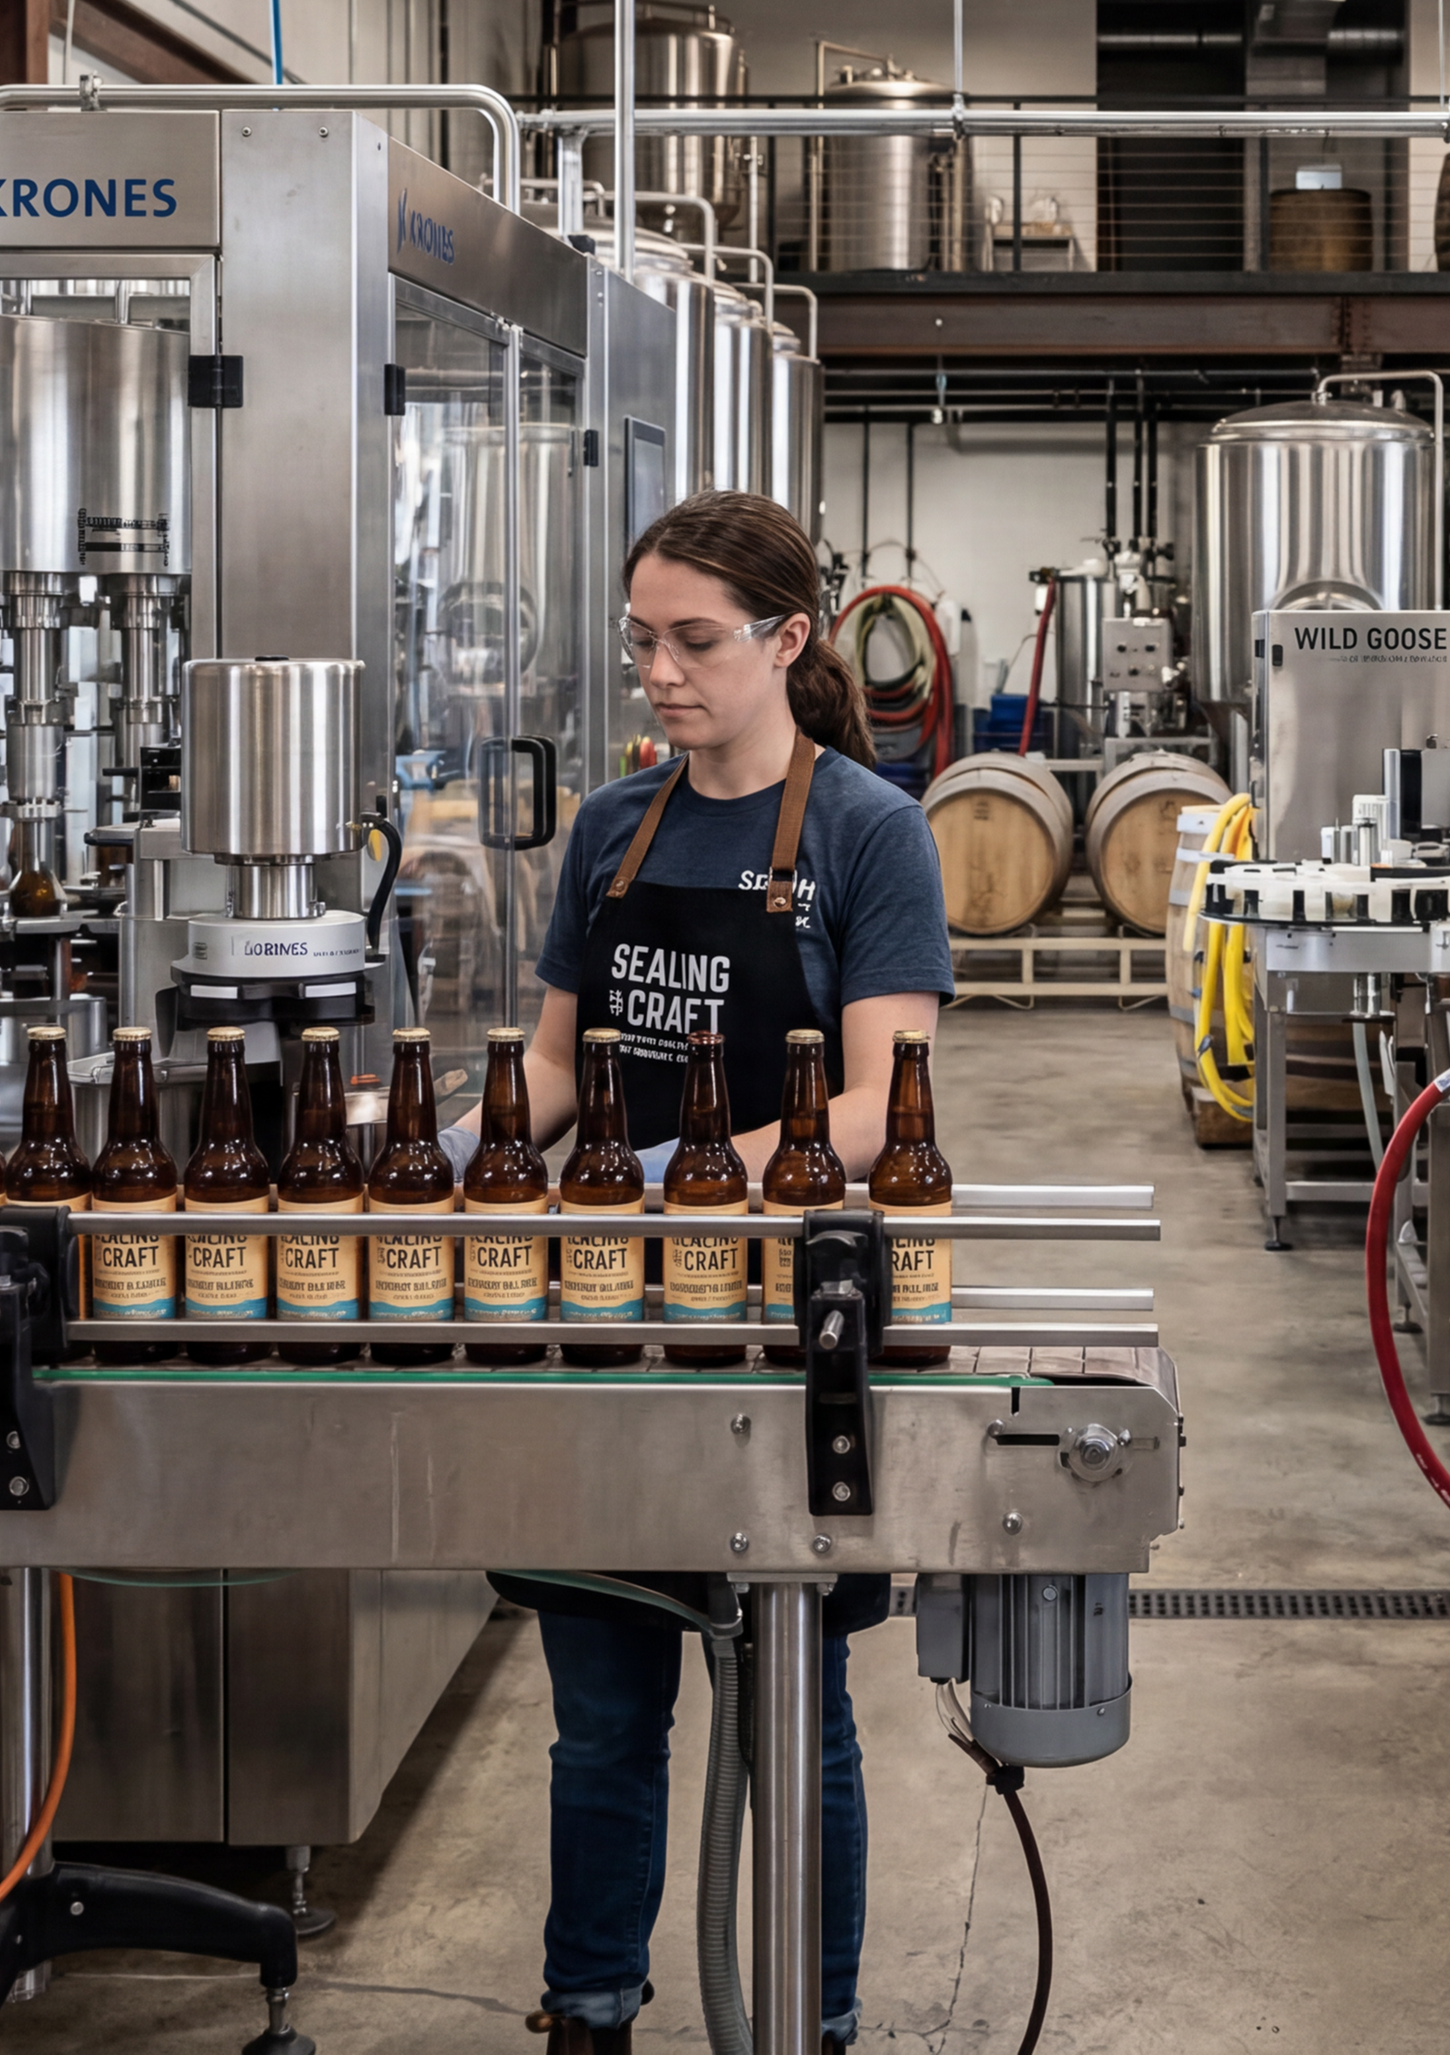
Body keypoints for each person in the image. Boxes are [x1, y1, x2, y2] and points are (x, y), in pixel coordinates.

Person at [470, 489, 951, 2054]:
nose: (661, 673)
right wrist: (393, 1128)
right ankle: (592, 2006)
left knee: (794, 1716)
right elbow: (553, 1068)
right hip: (613, 1326)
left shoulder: (869, 832)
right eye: (642, 641)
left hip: (777, 1329)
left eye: (694, 641)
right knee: (602, 1720)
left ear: (788, 638)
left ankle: (812, 2019)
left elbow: (885, 1107)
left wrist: (697, 1166)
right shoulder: (616, 829)